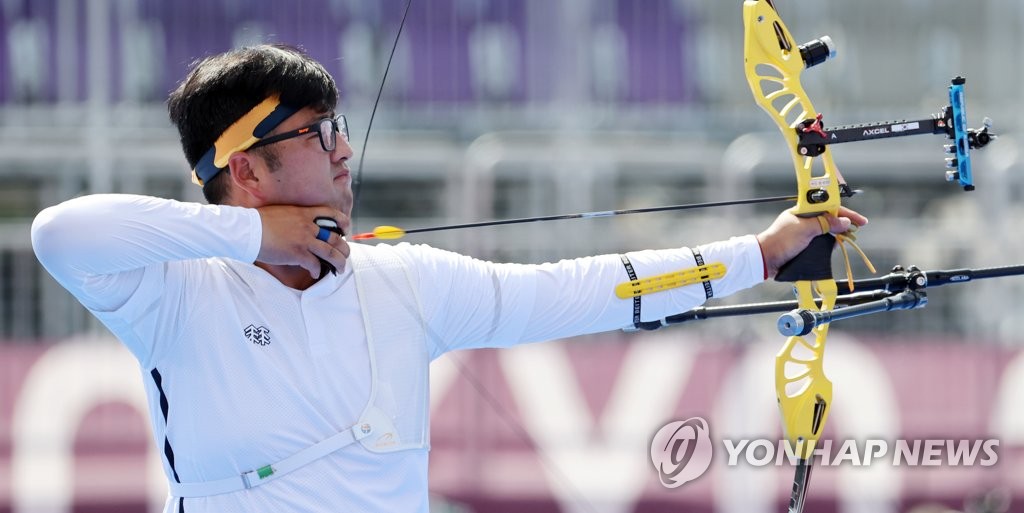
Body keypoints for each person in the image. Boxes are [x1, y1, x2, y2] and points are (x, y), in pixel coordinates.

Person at [30, 44, 867, 512]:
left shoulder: (406, 283)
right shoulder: (174, 293)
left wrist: (758, 255)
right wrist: (255, 236)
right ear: (247, 169)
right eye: (323, 133)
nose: (346, 149)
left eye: (341, 127)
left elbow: (582, 287)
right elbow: (61, 232)